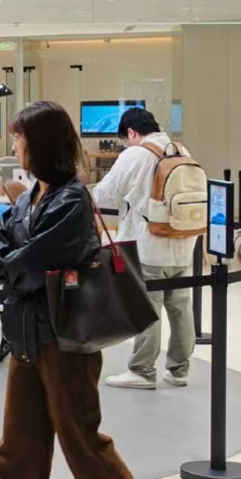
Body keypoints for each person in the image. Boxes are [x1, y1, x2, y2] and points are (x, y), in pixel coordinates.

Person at [0, 101, 133, 479]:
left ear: (40, 142)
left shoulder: (72, 199)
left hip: (65, 336)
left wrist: (8, 261)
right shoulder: (26, 198)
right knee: (19, 446)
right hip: (25, 335)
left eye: (19, 137)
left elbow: (32, 263)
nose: (14, 144)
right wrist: (10, 260)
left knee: (82, 442)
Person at [95, 108, 198, 389]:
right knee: (180, 307)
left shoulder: (135, 154)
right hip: (183, 242)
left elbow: (104, 194)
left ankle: (142, 370)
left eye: (124, 139)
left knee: (148, 307)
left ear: (131, 132)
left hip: (148, 245)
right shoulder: (180, 150)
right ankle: (179, 370)